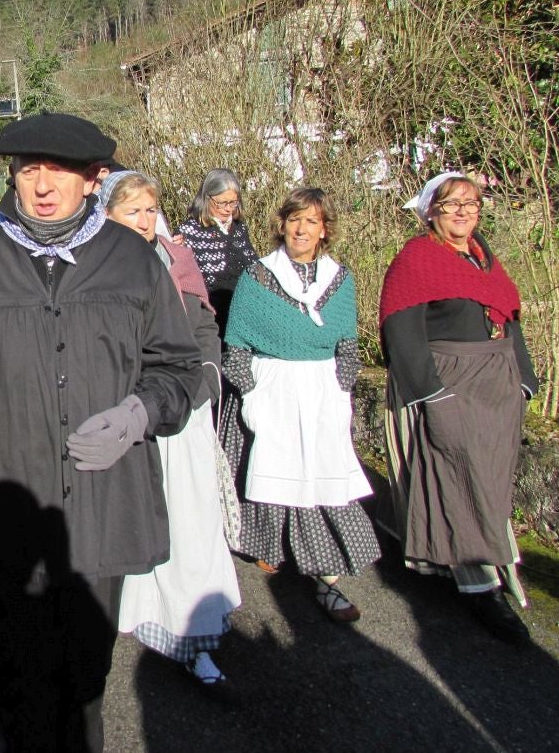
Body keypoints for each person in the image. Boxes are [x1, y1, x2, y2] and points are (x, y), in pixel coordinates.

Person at [0, 113, 202, 752]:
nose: (41, 184)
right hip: (7, 503)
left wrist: (141, 412)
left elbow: (175, 364)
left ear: (93, 179)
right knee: (16, 679)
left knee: (87, 678)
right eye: (28, 169)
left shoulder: (133, 260)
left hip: (101, 504)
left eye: (58, 170)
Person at [380, 171, 537, 644]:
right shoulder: (417, 258)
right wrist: (430, 394)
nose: (465, 211)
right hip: (450, 382)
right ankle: (480, 585)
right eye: (452, 204)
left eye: (471, 203)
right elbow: (401, 331)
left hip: (496, 385)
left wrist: (525, 378)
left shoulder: (484, 258)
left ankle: (493, 567)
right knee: (460, 479)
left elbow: (508, 319)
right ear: (432, 212)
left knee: (488, 480)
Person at [100, 171, 241, 697]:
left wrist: (205, 376)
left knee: (191, 518)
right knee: (131, 517)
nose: (143, 220)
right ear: (107, 214)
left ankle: (193, 636)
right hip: (128, 415)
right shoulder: (94, 266)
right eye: (130, 209)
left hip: (184, 411)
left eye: (149, 208)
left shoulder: (177, 257)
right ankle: (125, 620)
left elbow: (204, 325)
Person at [220, 188, 379, 622]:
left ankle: (328, 580)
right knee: (273, 475)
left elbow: (348, 344)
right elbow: (236, 347)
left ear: (324, 229)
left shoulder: (339, 280)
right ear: (282, 224)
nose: (302, 228)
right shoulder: (257, 277)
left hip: (321, 392)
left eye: (311, 221)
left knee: (324, 482)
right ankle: (270, 546)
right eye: (294, 219)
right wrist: (251, 396)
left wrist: (342, 392)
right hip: (273, 387)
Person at [177, 168, 258, 333]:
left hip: (244, 315)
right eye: (222, 203)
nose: (228, 209)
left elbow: (253, 267)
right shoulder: (189, 232)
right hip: (211, 319)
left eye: (233, 203)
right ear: (207, 198)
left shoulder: (239, 228)